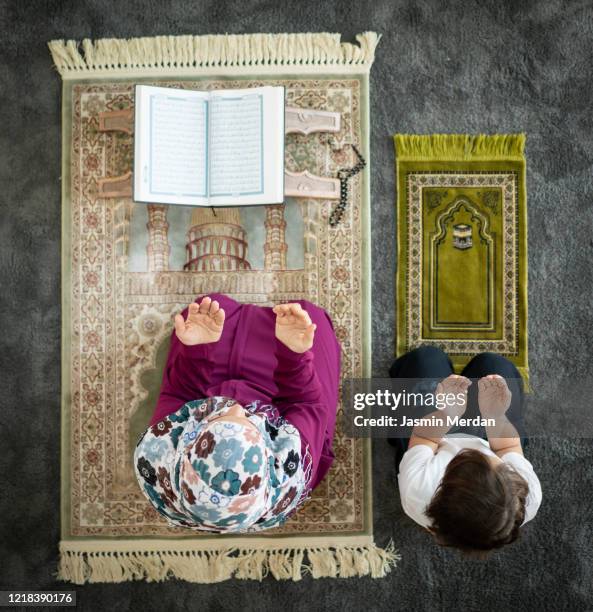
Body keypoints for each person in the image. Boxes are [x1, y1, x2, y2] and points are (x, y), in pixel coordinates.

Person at [133, 293, 340, 533]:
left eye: (221, 418)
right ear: (268, 455)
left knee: (208, 308)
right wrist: (292, 353)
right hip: (277, 401)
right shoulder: (292, 466)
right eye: (245, 420)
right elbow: (304, 401)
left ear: (188, 447)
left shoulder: (160, 454)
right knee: (309, 319)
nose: (237, 407)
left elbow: (180, 393)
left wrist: (199, 348)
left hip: (209, 390)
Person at [390, 346, 542, 554]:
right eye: (493, 462)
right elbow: (508, 446)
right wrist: (495, 416)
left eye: (464, 459)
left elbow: (424, 437)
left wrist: (447, 414)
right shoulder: (528, 496)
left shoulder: (418, 489)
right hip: (493, 436)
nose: (478, 452)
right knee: (494, 365)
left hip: (432, 440)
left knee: (426, 359)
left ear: (442, 485)